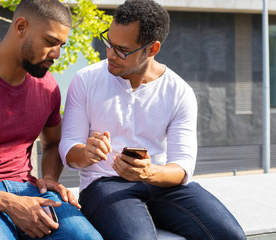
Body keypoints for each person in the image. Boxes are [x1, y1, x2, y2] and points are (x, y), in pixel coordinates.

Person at [59, 0, 247, 239]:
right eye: (109, 42)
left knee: (231, 236)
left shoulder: (179, 91)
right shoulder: (85, 80)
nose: (110, 54)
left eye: (122, 50)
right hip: (104, 184)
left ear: (152, 49)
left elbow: (182, 167)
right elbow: (68, 148)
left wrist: (148, 173)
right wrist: (85, 153)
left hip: (161, 183)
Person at [0, 0, 102, 239]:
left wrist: (50, 179)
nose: (57, 54)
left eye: (61, 45)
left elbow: (53, 143)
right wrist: (10, 203)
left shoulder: (48, 87)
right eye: (51, 42)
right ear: (21, 27)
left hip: (29, 189)